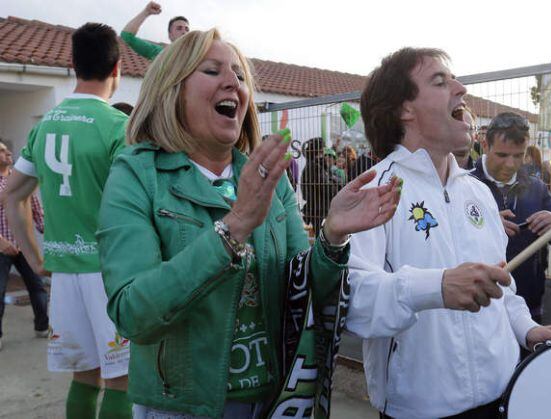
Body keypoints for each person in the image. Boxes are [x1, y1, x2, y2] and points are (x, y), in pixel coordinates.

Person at [96, 28, 399, 419]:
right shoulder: (137, 175)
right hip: (184, 408)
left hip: (274, 401)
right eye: (211, 71)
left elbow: (301, 291)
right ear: (171, 90)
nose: (233, 84)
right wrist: (233, 229)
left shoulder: (268, 177)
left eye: (239, 76)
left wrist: (332, 237)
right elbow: (132, 315)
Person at [347, 47, 551, 418]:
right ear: (405, 109)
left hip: (501, 398)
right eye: (440, 81)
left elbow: (503, 290)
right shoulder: (374, 192)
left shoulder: (479, 193)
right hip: (419, 410)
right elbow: (355, 301)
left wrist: (527, 328)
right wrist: (437, 287)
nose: (461, 89)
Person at [4, 23, 131, 418]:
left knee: (84, 376)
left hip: (64, 273)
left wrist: (33, 253)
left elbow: (13, 194)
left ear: (72, 64)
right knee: (122, 379)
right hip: (109, 273)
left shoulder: (44, 126)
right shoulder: (117, 126)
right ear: (117, 70)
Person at [472, 112, 551, 323]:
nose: (511, 164)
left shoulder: (536, 187)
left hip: (527, 302)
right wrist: (485, 226)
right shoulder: (464, 182)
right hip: (477, 304)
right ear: (485, 145)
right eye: (502, 155)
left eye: (518, 155)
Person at [0, 140, 47, 352]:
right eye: (1, 150)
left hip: (24, 247)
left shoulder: (20, 182)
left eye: (6, 149)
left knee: (37, 286)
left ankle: (42, 326)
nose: (8, 152)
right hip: (2, 248)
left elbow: (38, 213)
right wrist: (2, 243)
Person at [301, 138, 342, 236]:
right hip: (320, 211)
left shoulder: (313, 166)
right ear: (320, 151)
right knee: (324, 240)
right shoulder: (316, 167)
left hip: (317, 209)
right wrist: (338, 184)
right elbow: (327, 188)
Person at [121, 1, 189, 60]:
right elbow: (127, 36)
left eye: (187, 29)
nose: (184, 32)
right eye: (179, 28)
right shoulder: (160, 54)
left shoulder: (197, 57)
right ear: (170, 35)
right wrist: (146, 12)